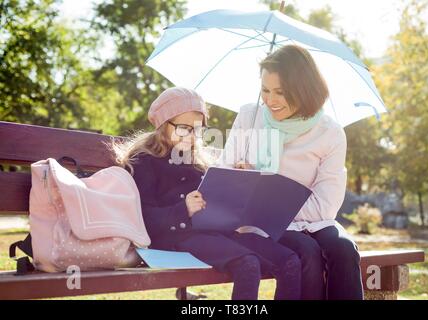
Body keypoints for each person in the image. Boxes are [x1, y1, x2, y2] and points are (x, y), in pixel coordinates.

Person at [110, 86, 302, 300]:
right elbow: (143, 217)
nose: (192, 136)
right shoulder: (144, 160)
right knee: (247, 262)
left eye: (198, 130)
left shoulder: (198, 161)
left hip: (217, 234)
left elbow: (215, 202)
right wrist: (182, 210)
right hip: (175, 239)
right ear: (163, 125)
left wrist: (240, 188)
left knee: (289, 260)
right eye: (184, 128)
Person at [219, 45, 364, 300]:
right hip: (260, 226)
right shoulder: (249, 117)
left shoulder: (330, 132)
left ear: (303, 90)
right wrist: (242, 179)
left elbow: (326, 206)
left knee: (344, 248)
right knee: (306, 252)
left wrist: (271, 202)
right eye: (265, 90)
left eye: (280, 92)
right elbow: (223, 174)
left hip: (314, 221)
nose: (270, 100)